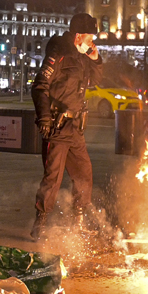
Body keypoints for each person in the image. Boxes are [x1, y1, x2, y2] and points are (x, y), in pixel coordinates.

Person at [30, 13, 103, 240]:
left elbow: (97, 80)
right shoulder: (58, 53)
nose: (92, 42)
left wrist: (96, 60)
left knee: (84, 173)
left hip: (75, 128)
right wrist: (44, 118)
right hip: (58, 126)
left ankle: (78, 220)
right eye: (90, 38)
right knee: (52, 177)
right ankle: (40, 223)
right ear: (78, 35)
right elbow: (39, 86)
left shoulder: (82, 57)